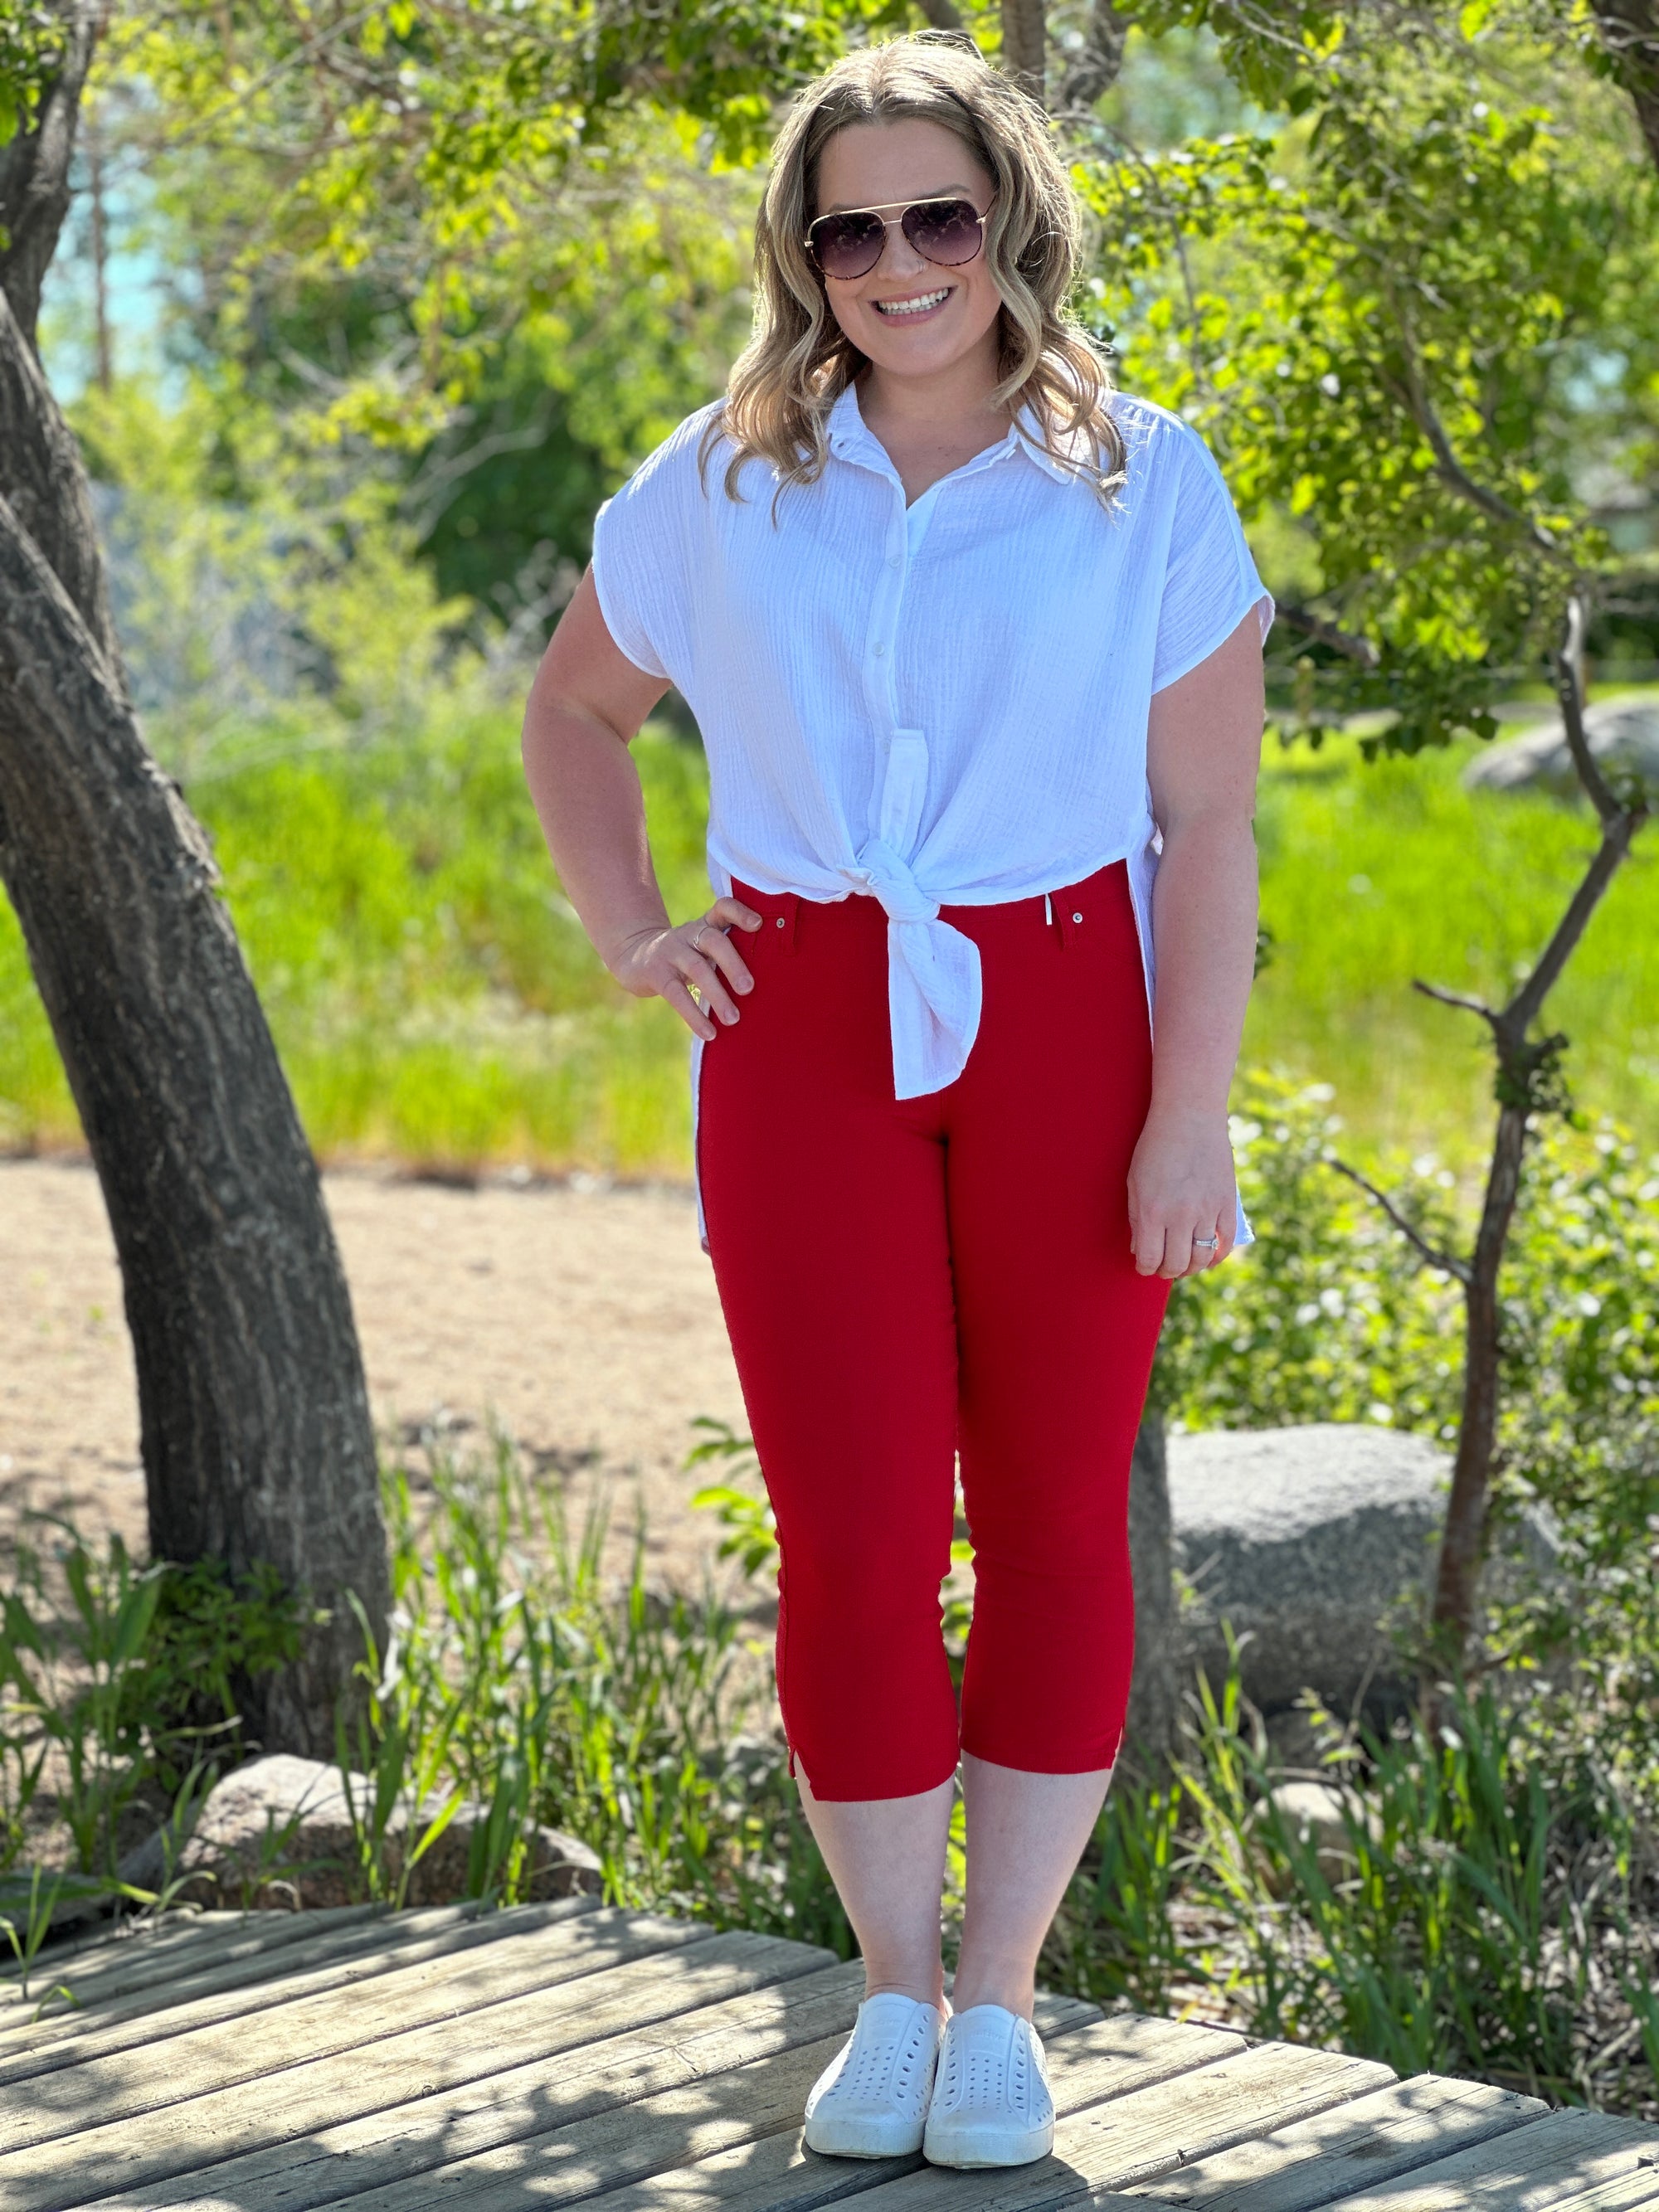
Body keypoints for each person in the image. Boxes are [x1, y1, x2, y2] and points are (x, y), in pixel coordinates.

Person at [521, 29, 1272, 2173]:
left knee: (1047, 1519)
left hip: (1068, 1019)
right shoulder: (722, 477)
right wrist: (634, 928)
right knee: (854, 1537)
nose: (895, 262)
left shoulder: (1147, 477)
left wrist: (1187, 1109)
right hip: (803, 1026)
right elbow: (578, 705)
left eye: (936, 213)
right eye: (848, 227)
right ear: (805, 254)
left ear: (1009, 215)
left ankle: (1009, 2000)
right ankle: (889, 1991)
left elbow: (1209, 825)